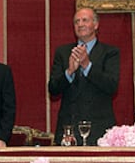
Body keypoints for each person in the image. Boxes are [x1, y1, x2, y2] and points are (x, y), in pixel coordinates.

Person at [48, 8, 120, 146]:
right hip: (69, 129)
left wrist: (87, 66)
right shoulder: (63, 52)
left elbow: (112, 86)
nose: (80, 24)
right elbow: (53, 89)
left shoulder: (110, 52)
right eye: (77, 21)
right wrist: (69, 72)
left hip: (99, 130)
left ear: (96, 24)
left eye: (85, 20)